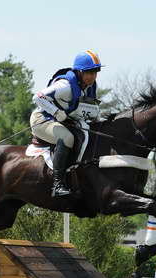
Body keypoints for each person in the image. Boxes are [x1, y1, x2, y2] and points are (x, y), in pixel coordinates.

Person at [30, 50, 102, 197]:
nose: (93, 76)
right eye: (89, 72)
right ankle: (58, 184)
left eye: (96, 71)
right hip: (42, 119)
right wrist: (56, 112)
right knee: (67, 138)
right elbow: (37, 97)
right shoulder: (65, 85)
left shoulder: (91, 86)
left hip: (66, 121)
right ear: (80, 72)